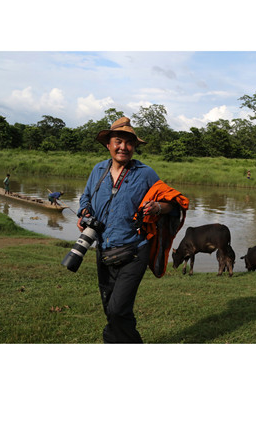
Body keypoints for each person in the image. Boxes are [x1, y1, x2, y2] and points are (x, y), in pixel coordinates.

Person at [77, 117, 188, 343]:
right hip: (104, 250)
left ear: (134, 147)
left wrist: (158, 206)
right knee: (112, 308)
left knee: (117, 309)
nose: (123, 147)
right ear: (108, 144)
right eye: (118, 141)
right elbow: (85, 198)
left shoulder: (145, 173)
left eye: (129, 143)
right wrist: (84, 212)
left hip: (134, 251)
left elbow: (173, 203)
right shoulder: (98, 170)